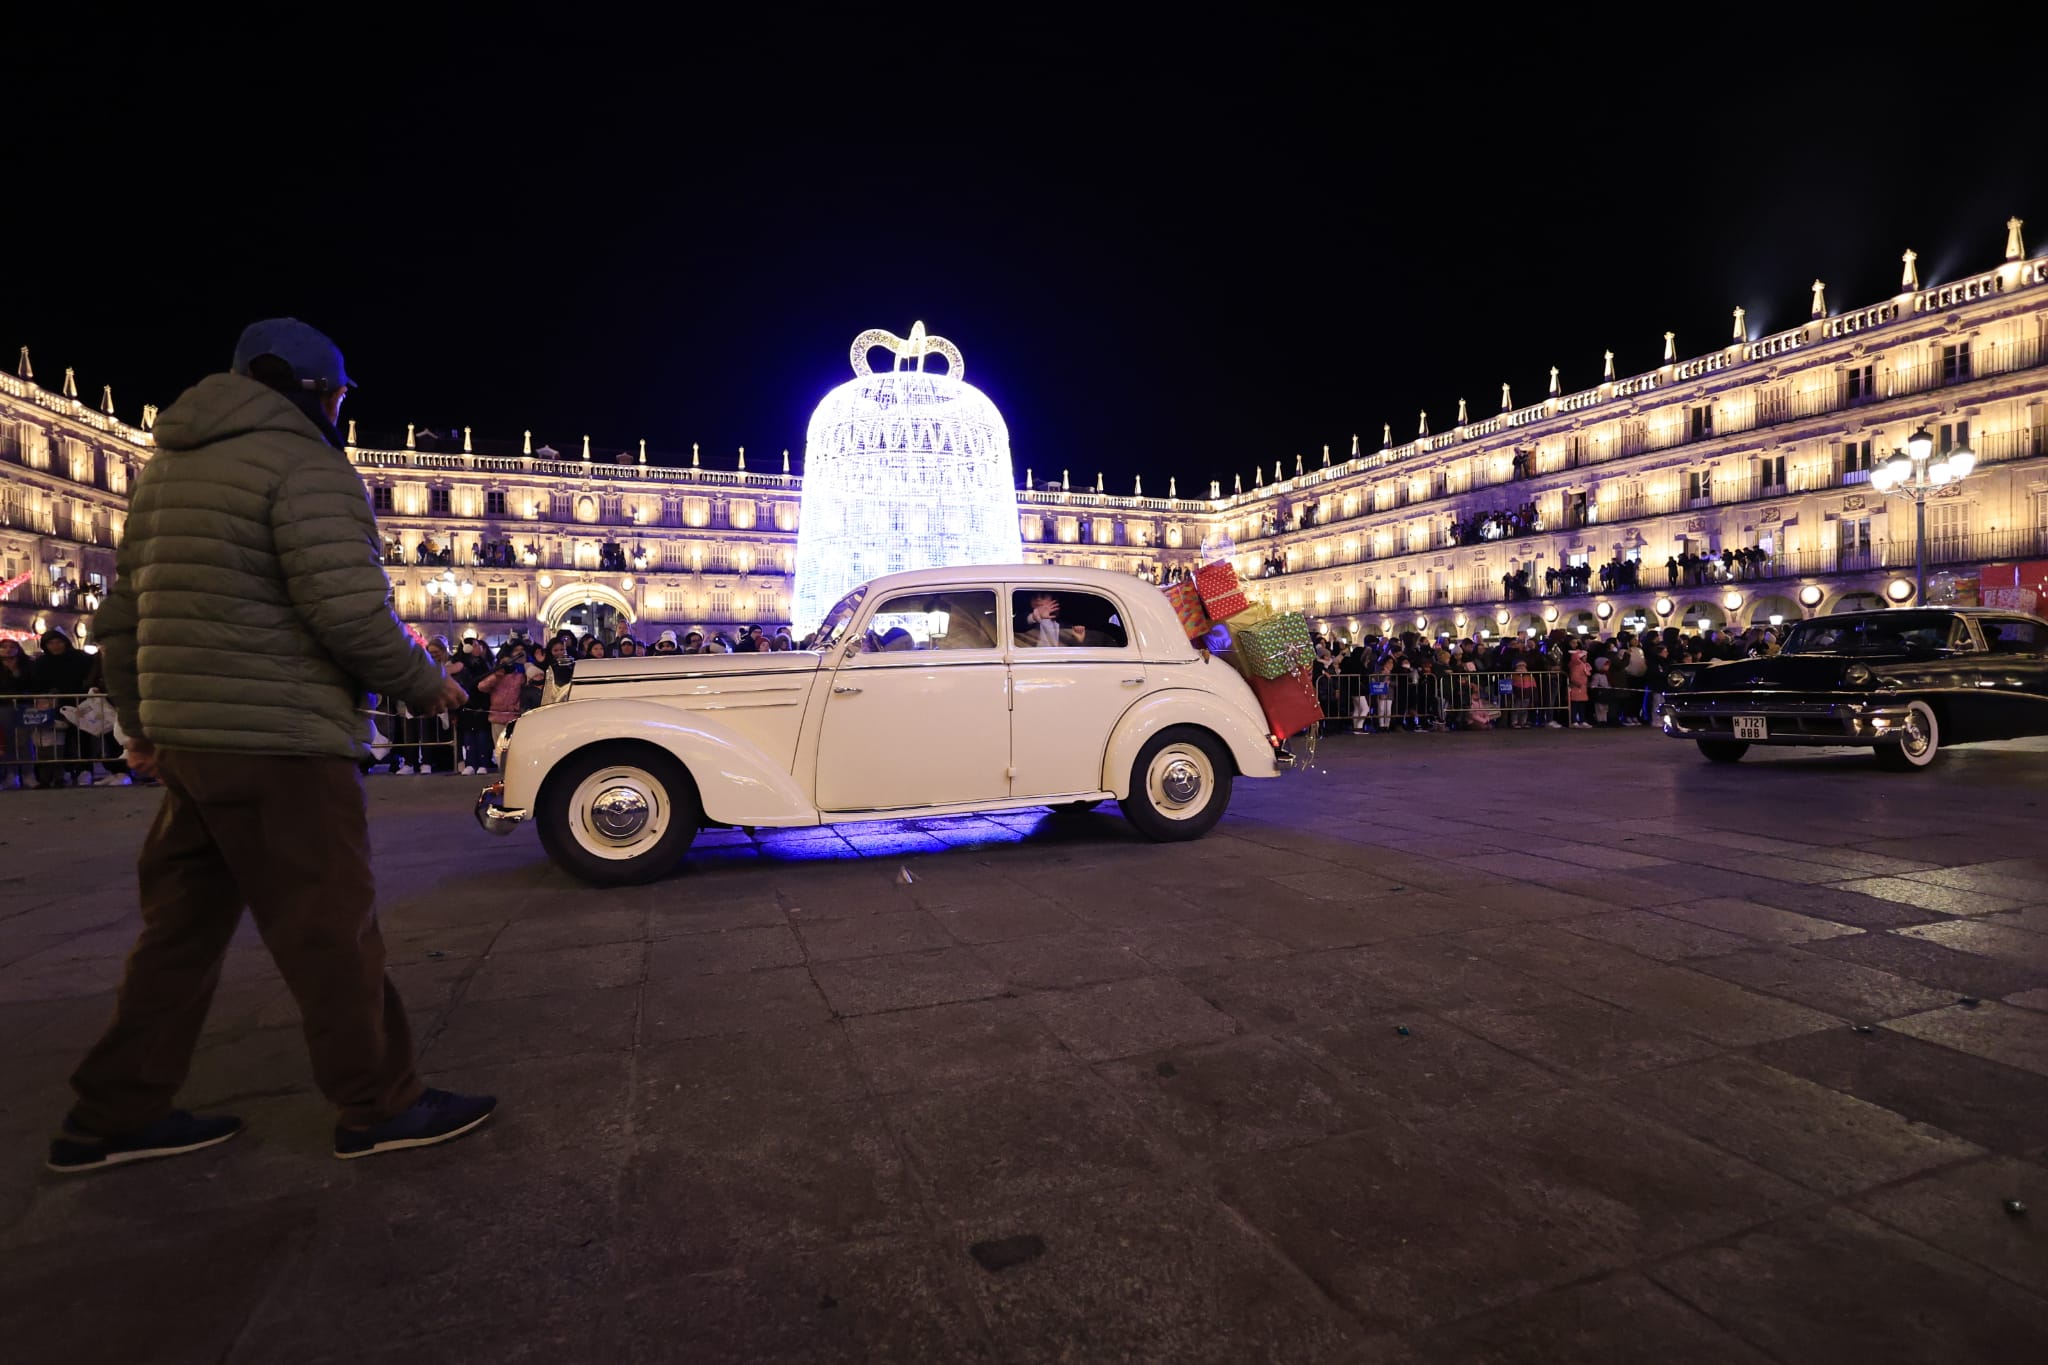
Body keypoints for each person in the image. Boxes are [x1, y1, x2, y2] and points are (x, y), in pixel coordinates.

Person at [50, 319, 495, 1175]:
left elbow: (122, 620)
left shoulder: (169, 471)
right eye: (338, 395)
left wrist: (141, 724)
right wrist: (423, 683)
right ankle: (379, 1103)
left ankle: (110, 1114)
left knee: (179, 934)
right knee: (330, 928)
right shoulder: (304, 464)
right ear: (312, 392)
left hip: (190, 741)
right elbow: (348, 608)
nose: (337, 410)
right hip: (280, 741)